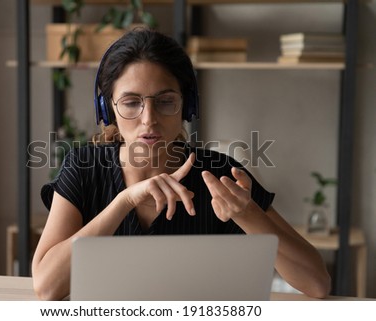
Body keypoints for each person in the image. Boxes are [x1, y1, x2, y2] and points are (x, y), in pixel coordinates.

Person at [31, 28, 331, 301]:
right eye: (131, 102)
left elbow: (317, 283)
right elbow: (47, 287)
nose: (149, 118)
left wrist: (249, 214)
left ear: (187, 106)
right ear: (108, 109)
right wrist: (124, 201)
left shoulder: (219, 174)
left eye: (165, 101)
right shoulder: (84, 166)